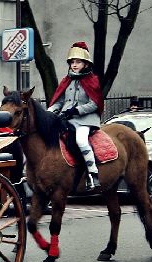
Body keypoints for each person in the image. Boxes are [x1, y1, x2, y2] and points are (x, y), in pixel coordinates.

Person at [47, 41, 104, 191]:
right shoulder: (67, 81)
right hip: (67, 118)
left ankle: (93, 173)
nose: (74, 64)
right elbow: (59, 102)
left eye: (78, 62)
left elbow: (94, 104)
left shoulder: (93, 81)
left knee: (81, 139)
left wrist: (77, 110)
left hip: (86, 119)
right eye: (72, 62)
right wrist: (49, 112)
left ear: (85, 63)